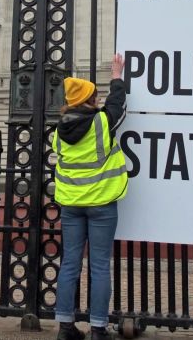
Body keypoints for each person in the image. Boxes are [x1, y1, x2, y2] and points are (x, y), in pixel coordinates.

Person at [53, 53, 128, 340]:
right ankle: (98, 328)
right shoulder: (100, 123)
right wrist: (116, 76)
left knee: (70, 263)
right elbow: (117, 105)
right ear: (89, 99)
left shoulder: (59, 132)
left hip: (71, 205)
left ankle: (65, 327)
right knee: (99, 265)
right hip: (101, 204)